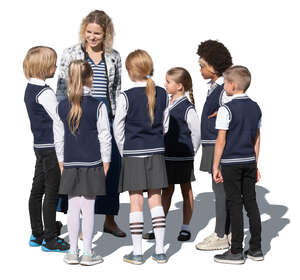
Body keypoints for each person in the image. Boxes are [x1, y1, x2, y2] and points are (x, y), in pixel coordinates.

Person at [56, 10, 125, 237]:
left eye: (97, 33)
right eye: (89, 32)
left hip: (106, 111)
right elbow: (61, 88)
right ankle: (77, 220)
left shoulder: (114, 56)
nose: (92, 37)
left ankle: (109, 219)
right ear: (83, 29)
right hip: (77, 111)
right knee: (78, 165)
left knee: (112, 165)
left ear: (106, 34)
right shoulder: (71, 53)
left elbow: (115, 89)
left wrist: (118, 118)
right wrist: (64, 117)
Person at [114, 50, 169, 264]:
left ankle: (137, 253)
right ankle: (161, 250)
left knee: (135, 202)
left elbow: (118, 129)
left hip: (133, 153)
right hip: (156, 152)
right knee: (156, 200)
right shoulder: (162, 93)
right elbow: (165, 124)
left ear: (129, 71)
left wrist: (124, 152)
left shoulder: (125, 96)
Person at [56, 60, 111, 265]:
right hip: (92, 162)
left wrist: (61, 161)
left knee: (72, 207)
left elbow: (58, 137)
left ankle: (72, 251)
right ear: (91, 78)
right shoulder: (98, 106)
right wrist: (106, 161)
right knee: (88, 207)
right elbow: (105, 136)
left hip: (69, 162)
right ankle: (87, 253)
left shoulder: (61, 106)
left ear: (69, 78)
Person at [143, 67, 200, 242]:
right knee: (165, 190)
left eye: (168, 82)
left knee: (186, 190)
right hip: (166, 156)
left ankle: (186, 227)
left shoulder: (187, 108)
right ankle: (158, 226)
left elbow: (196, 133)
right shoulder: (166, 103)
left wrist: (191, 153)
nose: (165, 84)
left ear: (180, 86)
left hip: (182, 157)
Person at [213, 66, 263, 264]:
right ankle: (256, 249)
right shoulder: (255, 107)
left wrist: (215, 166)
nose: (224, 86)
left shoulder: (226, 109)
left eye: (225, 83)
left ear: (232, 86)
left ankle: (236, 251)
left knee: (234, 204)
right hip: (249, 161)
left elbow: (221, 140)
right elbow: (257, 138)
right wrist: (255, 163)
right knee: (251, 203)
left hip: (231, 163)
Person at [23, 46, 69, 252]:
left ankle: (37, 233)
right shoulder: (45, 92)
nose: (56, 66)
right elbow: (59, 119)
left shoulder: (29, 89)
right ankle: (50, 239)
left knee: (37, 190)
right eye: (53, 63)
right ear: (44, 67)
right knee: (51, 192)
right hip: (52, 148)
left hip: (39, 147)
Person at [195, 40, 233, 251]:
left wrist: (224, 113)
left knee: (221, 190)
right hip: (210, 143)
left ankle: (222, 235)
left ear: (214, 65)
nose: (200, 69)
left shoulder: (225, 88)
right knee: (218, 189)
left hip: (219, 145)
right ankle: (222, 231)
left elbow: (235, 109)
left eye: (202, 65)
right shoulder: (214, 87)